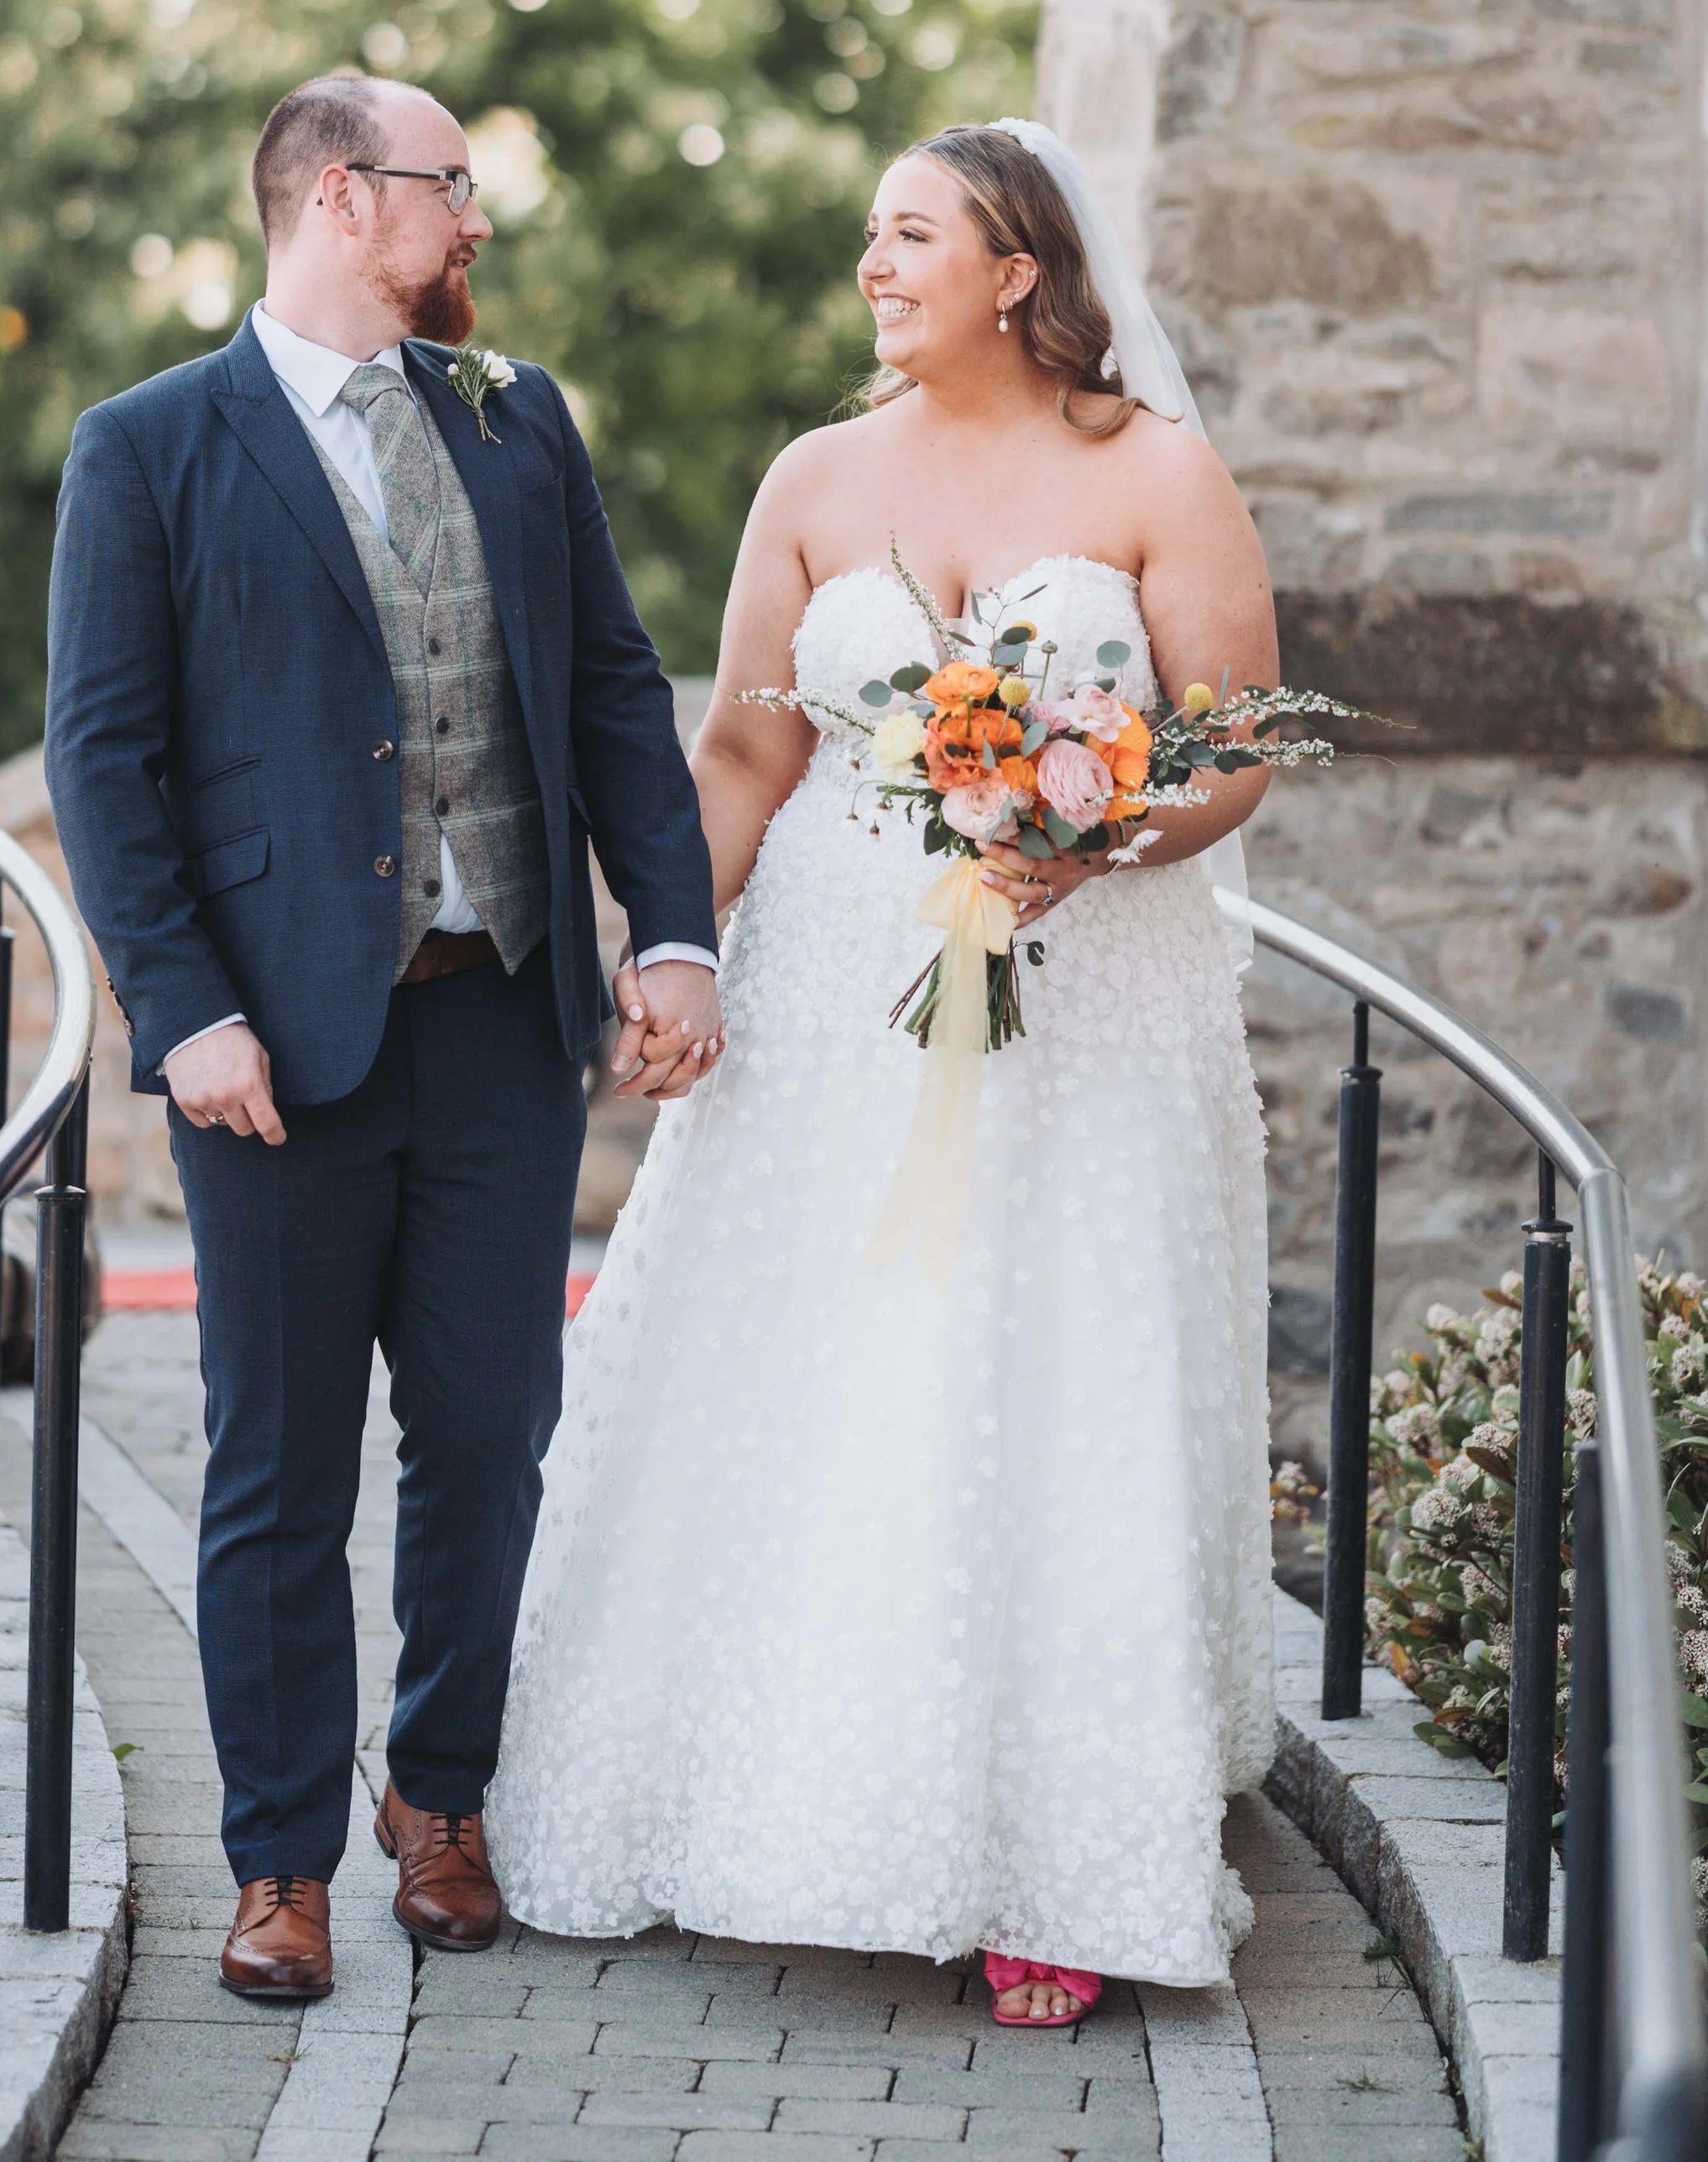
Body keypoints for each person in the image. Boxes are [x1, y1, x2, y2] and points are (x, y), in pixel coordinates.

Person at [488, 118, 1277, 2027]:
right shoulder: (814, 476)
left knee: (1042, 1370)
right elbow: (746, 755)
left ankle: (1058, 1863)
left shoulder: (1154, 472)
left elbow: (1234, 745)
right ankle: (740, 1789)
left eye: (910, 234)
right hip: (835, 979)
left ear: (1018, 267)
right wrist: (672, 956)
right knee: (810, 1365)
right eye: (869, 235)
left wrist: (1094, 836)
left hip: (1076, 1003)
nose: (874, 263)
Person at [43, 73, 721, 2001]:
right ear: (345, 199)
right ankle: (279, 1866)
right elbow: (104, 759)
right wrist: (181, 1015)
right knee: (273, 1466)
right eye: (450, 189)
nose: (473, 223)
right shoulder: (149, 448)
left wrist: (668, 932)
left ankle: (441, 1800)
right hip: (272, 1050)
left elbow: (607, 689)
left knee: (492, 1440)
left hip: (499, 1021)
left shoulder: (517, 425)